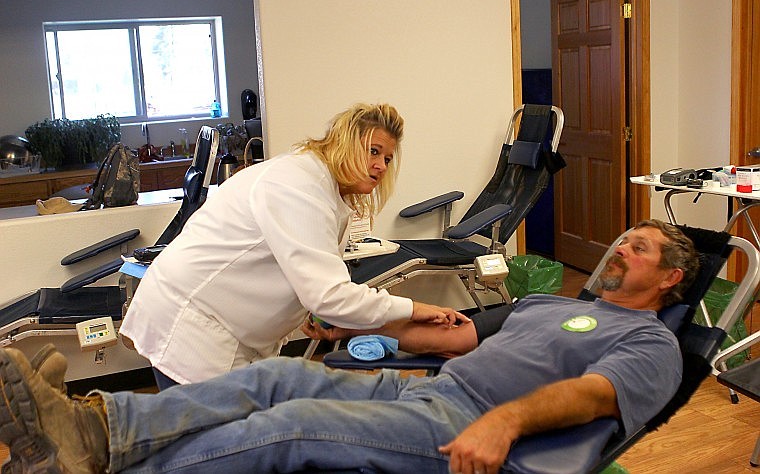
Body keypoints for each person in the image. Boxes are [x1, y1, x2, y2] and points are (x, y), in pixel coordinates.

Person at [0, 219, 699, 474]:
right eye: (626, 238)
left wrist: (504, 420)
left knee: (288, 427)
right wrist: (357, 328)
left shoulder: (649, 343)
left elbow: (592, 396)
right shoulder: (550, 303)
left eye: (639, 248)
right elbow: (455, 337)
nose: (621, 248)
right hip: (424, 387)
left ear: (668, 279)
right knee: (269, 380)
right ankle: (93, 431)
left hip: (463, 422)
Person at [119, 103, 467, 388]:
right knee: (208, 451)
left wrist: (317, 312)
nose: (380, 166)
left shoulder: (324, 189)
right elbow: (329, 295)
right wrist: (414, 307)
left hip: (225, 333)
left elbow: (307, 276)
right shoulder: (300, 186)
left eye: (388, 159)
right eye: (373, 151)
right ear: (345, 143)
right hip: (192, 329)